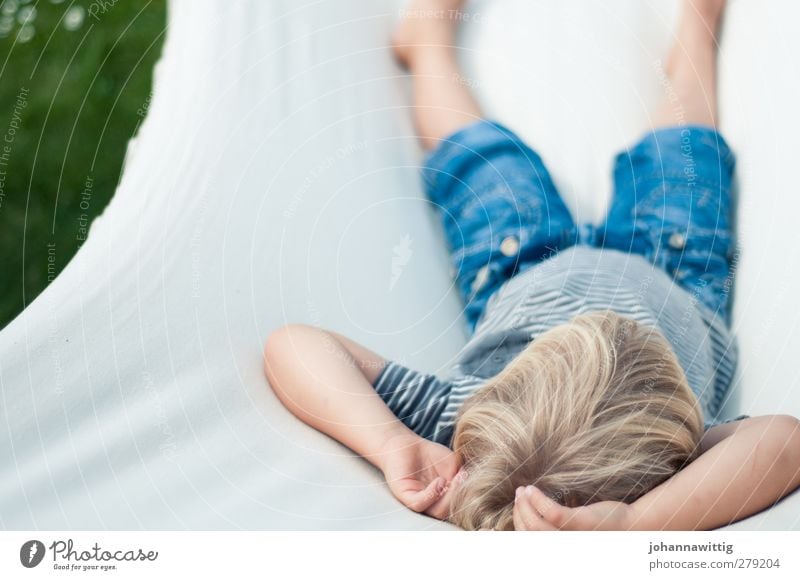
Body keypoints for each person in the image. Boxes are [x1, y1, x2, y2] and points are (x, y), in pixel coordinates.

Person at [263, 0, 800, 530]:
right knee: (683, 151)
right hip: (673, 267)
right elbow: (784, 441)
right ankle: (695, 35)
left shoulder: (462, 428)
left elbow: (295, 346)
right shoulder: (660, 458)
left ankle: (429, 51)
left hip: (521, 265)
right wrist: (636, 522)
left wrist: (390, 441)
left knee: (481, 159)